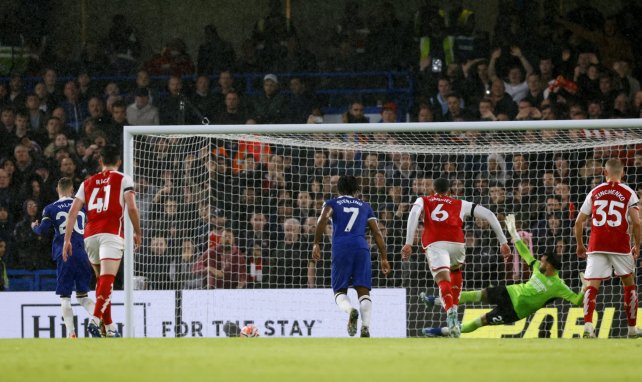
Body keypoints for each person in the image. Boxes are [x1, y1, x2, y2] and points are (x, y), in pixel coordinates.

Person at [422, 214, 585, 337]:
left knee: (481, 321)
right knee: (478, 294)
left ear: (550, 266)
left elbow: (577, 301)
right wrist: (513, 233)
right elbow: (524, 253)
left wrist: (585, 287)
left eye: (543, 262)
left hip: (514, 311)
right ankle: (435, 301)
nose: (539, 263)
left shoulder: (559, 285)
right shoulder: (537, 267)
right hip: (509, 292)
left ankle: (438, 332)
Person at [402, 177, 510, 337]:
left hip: (435, 242)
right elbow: (489, 214)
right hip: (457, 243)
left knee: (443, 280)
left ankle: (451, 312)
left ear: (433, 190)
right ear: (450, 191)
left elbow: (413, 214)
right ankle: (451, 309)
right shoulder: (460, 203)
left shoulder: (423, 200)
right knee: (455, 271)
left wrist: (408, 242)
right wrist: (503, 242)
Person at [63, 144, 142, 338]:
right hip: (111, 233)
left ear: (100, 162)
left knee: (102, 282)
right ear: (119, 162)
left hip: (89, 235)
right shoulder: (124, 178)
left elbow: (73, 212)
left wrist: (67, 240)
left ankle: (110, 327)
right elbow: (131, 208)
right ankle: (96, 319)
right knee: (108, 279)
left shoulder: (87, 182)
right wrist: (138, 232)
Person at [312, 175, 390, 337]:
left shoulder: (332, 203)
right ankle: (366, 326)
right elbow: (376, 232)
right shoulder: (365, 206)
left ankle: (350, 310)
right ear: (356, 190)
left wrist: (316, 243)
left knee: (339, 291)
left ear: (338, 189)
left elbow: (322, 219)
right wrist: (384, 257)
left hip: (341, 247)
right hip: (362, 247)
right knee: (363, 291)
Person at [574, 158, 642, 338]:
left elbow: (578, 221)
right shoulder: (629, 193)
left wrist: (580, 245)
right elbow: (636, 223)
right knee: (629, 285)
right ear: (623, 173)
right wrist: (637, 246)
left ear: (605, 173)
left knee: (591, 286)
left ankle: (588, 327)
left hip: (596, 244)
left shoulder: (594, 192)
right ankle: (632, 329)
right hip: (620, 245)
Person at [31, 177, 96, 338]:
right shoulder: (82, 205)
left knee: (65, 297)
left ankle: (71, 334)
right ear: (72, 190)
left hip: (64, 253)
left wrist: (34, 227)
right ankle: (99, 320)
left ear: (57, 190)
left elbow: (42, 231)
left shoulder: (50, 208)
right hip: (82, 252)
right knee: (83, 296)